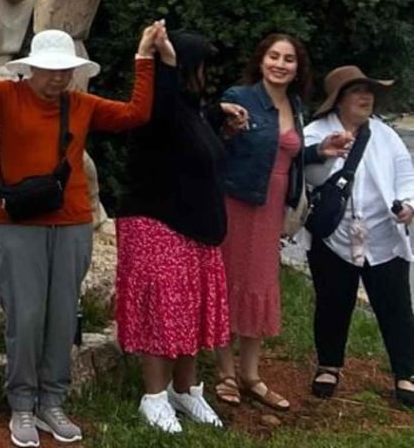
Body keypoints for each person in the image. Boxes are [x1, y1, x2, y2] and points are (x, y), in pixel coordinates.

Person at [0, 24, 158, 448]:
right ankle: (22, 404)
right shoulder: (6, 94)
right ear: (32, 69)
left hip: (73, 222)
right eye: (49, 70)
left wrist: (144, 57)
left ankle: (53, 402)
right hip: (19, 223)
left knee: (62, 316)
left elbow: (137, 114)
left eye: (65, 71)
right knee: (25, 317)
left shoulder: (82, 104)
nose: (58, 78)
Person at [213, 33, 349, 411]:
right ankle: (225, 372)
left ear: (297, 69)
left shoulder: (294, 104)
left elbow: (283, 152)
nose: (280, 64)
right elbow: (216, 142)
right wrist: (226, 128)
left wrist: (320, 150)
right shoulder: (239, 98)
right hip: (237, 201)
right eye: (273, 56)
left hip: (273, 206)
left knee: (260, 283)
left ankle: (250, 374)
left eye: (288, 59)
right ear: (261, 61)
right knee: (230, 282)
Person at [113, 31, 231, 433]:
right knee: (164, 311)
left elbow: (191, 139)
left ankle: (186, 390)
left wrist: (216, 117)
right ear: (185, 70)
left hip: (194, 226)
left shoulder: (192, 112)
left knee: (190, 311)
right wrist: (156, 57)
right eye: (200, 67)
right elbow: (162, 114)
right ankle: (155, 396)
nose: (206, 75)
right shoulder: (157, 109)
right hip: (156, 222)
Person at [303, 65, 414, 407]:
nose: (366, 97)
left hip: (382, 234)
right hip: (334, 235)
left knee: (395, 305)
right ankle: (329, 365)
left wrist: (408, 203)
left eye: (369, 91)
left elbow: (405, 171)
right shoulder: (315, 133)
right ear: (338, 101)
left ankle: (406, 372)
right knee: (333, 303)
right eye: (356, 92)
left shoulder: (384, 134)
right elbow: (308, 176)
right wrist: (325, 151)